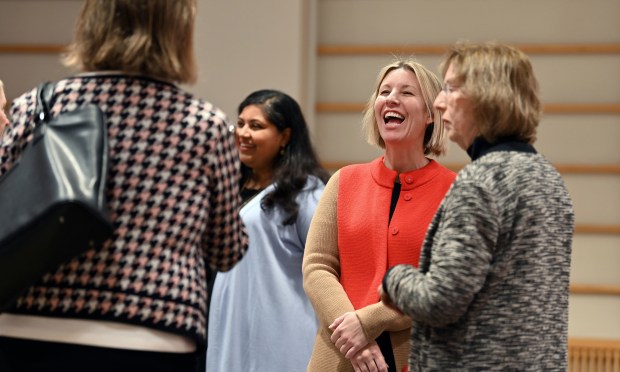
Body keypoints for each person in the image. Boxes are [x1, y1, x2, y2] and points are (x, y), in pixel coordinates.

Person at [0, 1, 248, 371]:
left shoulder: (40, 104)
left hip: (30, 321)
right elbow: (226, 250)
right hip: (153, 331)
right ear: (177, 32)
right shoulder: (204, 125)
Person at [379, 42, 575, 370]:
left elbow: (439, 302)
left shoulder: (481, 182)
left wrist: (394, 278)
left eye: (451, 89)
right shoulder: (549, 178)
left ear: (488, 98)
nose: (439, 103)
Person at [302, 59, 456, 372]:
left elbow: (448, 287)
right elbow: (317, 266)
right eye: (384, 91)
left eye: (407, 92)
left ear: (430, 114)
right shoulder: (344, 181)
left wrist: (368, 322)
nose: (391, 98)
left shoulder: (454, 191)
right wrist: (351, 336)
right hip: (340, 355)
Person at [207, 89, 330, 372]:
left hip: (282, 332)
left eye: (256, 126)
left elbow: (327, 265)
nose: (243, 133)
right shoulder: (225, 187)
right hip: (226, 326)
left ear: (285, 136)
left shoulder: (306, 193)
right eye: (240, 124)